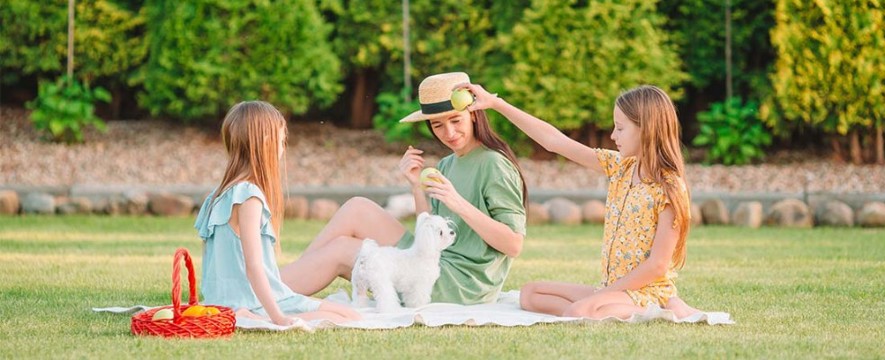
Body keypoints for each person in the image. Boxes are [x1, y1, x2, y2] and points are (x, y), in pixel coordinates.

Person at [455, 82, 700, 320]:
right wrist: (496, 104)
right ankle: (599, 306)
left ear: (646, 128)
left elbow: (657, 266)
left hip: (647, 292)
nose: (613, 135)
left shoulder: (669, 187)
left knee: (579, 312)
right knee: (530, 294)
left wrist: (603, 295)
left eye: (620, 128)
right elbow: (554, 141)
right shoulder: (620, 168)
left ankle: (664, 308)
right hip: (615, 290)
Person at [280, 72, 528, 305]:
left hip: (460, 283)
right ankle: (273, 286)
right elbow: (428, 230)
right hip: (432, 261)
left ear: (473, 114)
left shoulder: (494, 164)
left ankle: (267, 294)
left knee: (343, 250)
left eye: (455, 120)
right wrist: (415, 186)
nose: (449, 132)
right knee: (357, 207)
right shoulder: (447, 163)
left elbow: (514, 245)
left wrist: (458, 203)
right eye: (438, 125)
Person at [194, 101, 360, 326]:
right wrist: (277, 317)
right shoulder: (249, 196)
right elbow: (254, 268)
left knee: (345, 313)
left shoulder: (218, 195)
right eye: (282, 141)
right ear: (266, 143)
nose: (283, 148)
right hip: (253, 302)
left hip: (224, 300)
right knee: (347, 317)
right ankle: (249, 315)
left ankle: (246, 312)